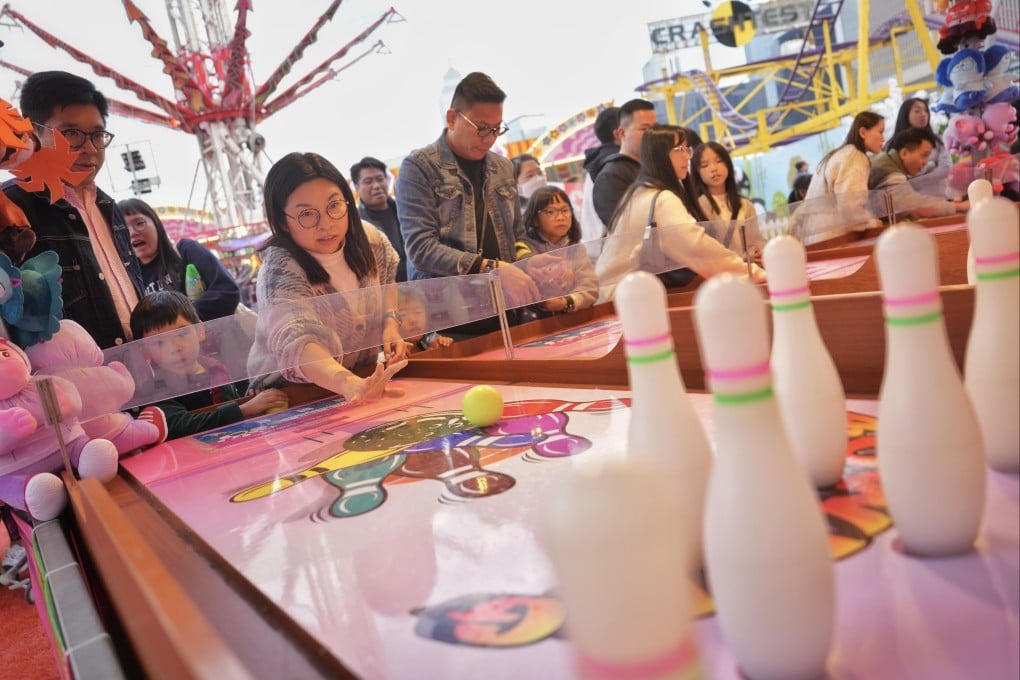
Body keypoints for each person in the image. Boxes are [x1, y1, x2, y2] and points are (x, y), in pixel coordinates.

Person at [396, 71, 555, 335]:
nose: (490, 138)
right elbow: (420, 248)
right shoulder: (419, 167)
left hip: (507, 311)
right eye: (481, 128)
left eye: (497, 129)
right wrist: (490, 269)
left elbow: (516, 235)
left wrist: (527, 261)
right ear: (452, 118)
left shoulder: (502, 167)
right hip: (450, 319)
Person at [247, 152, 407, 403]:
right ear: (282, 220)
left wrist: (390, 324)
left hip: (359, 380)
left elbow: (388, 281)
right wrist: (347, 382)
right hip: (290, 397)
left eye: (334, 206)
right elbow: (297, 340)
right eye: (307, 214)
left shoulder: (370, 239)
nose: (326, 224)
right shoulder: (280, 270)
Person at [2, 71, 142, 348]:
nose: (89, 148)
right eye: (71, 133)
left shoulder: (108, 206)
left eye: (98, 135)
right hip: (69, 383)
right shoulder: (11, 210)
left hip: (142, 370)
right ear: (33, 133)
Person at [596, 125, 766, 302]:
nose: (687, 156)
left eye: (687, 149)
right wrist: (753, 273)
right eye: (680, 149)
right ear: (660, 154)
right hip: (625, 299)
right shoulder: (662, 199)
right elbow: (698, 248)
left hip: (621, 296)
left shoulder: (640, 192)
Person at [130, 291, 288, 440]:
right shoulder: (155, 388)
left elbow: (230, 403)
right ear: (144, 351)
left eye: (181, 334)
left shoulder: (216, 369)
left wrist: (251, 399)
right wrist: (245, 409)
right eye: (159, 342)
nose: (174, 347)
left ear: (199, 330)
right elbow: (179, 424)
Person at [120, 198, 240, 322]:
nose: (132, 232)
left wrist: (180, 323)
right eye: (123, 229)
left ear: (156, 224)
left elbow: (227, 290)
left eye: (139, 223)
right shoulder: (129, 281)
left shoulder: (186, 251)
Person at [515, 185, 598, 318]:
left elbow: (589, 285)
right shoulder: (526, 249)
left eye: (565, 210)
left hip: (574, 317)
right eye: (551, 212)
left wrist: (567, 302)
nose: (560, 217)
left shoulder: (575, 247)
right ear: (535, 219)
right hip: (535, 322)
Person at [690, 141, 765, 264]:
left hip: (748, 271)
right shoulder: (698, 206)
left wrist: (757, 252)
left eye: (719, 161)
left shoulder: (744, 204)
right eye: (704, 165)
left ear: (728, 165)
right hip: (718, 272)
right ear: (697, 172)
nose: (713, 168)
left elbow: (756, 240)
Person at [870, 127, 969, 218]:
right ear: (904, 153)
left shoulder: (887, 161)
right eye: (924, 155)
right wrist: (959, 207)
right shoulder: (891, 173)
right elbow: (915, 205)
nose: (926, 162)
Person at [592, 99, 658, 227]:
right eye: (644, 128)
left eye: (655, 127)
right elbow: (623, 228)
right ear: (621, 133)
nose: (652, 134)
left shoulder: (654, 165)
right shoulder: (611, 176)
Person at [350, 156, 407, 283]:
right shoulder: (356, 225)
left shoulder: (406, 212)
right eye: (368, 181)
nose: (376, 186)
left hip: (420, 286)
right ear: (356, 187)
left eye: (380, 179)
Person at [579, 106, 621, 249]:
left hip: (598, 247)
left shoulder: (598, 162)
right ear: (619, 133)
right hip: (613, 248)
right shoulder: (615, 165)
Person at [887, 98, 952, 175]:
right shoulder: (893, 144)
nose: (923, 114)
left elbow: (946, 169)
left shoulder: (938, 140)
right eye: (917, 111)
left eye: (926, 111)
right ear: (905, 115)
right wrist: (931, 166)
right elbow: (899, 176)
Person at [397, 287, 453, 353]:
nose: (413, 320)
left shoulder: (430, 339)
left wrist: (442, 344)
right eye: (403, 314)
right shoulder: (385, 353)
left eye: (418, 312)